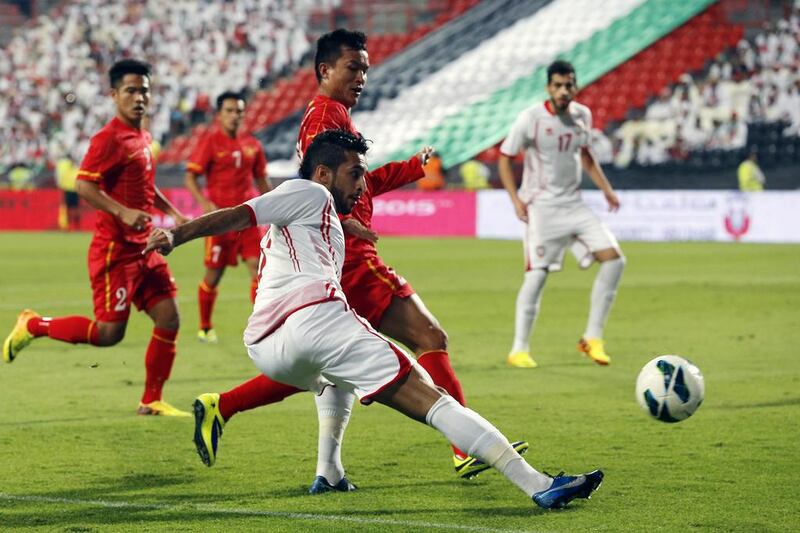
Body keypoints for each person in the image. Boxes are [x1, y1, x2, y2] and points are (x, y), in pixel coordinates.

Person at [145, 129, 604, 510]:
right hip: (313, 321)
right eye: (354, 174)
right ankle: (537, 483)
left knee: (333, 376)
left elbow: (306, 222)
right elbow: (240, 215)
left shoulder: (317, 214)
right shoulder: (304, 188)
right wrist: (177, 234)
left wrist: (349, 227)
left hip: (267, 347)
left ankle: (328, 472)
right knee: (432, 395)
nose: (361, 186)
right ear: (323, 173)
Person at [192, 29, 526, 493]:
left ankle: (308, 459)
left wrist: (410, 168)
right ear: (325, 70)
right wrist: (345, 226)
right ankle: (463, 448)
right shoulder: (326, 116)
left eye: (366, 68)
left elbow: (354, 181)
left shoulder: (334, 115)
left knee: (330, 366)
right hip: (350, 258)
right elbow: (317, 186)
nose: (362, 76)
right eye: (354, 67)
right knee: (425, 337)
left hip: (343, 254)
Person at [2, 59, 190, 417]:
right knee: (109, 334)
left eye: (144, 91)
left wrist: (174, 213)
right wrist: (121, 212)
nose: (139, 98)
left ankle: (151, 400)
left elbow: (147, 186)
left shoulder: (143, 136)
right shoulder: (108, 139)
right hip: (114, 252)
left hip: (145, 248)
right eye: (131, 91)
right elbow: (83, 184)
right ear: (114, 95)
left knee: (169, 318)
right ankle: (34, 325)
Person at [498, 60, 625, 369]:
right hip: (541, 208)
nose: (564, 91)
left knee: (615, 260)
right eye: (558, 85)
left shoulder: (583, 115)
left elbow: (586, 155)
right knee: (537, 276)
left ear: (575, 86)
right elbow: (504, 158)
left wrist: (606, 189)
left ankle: (592, 338)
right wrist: (516, 200)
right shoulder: (531, 119)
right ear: (548, 88)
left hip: (574, 204)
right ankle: (519, 349)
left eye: (569, 85)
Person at [184, 91, 271, 343]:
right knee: (214, 275)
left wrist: (277, 207)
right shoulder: (210, 142)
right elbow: (190, 176)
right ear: (219, 115)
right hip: (220, 221)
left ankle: (262, 328)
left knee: (258, 269)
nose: (235, 116)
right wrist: (204, 203)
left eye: (238, 112)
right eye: (229, 111)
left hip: (248, 218)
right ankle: (205, 327)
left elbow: (261, 179)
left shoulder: (253, 145)